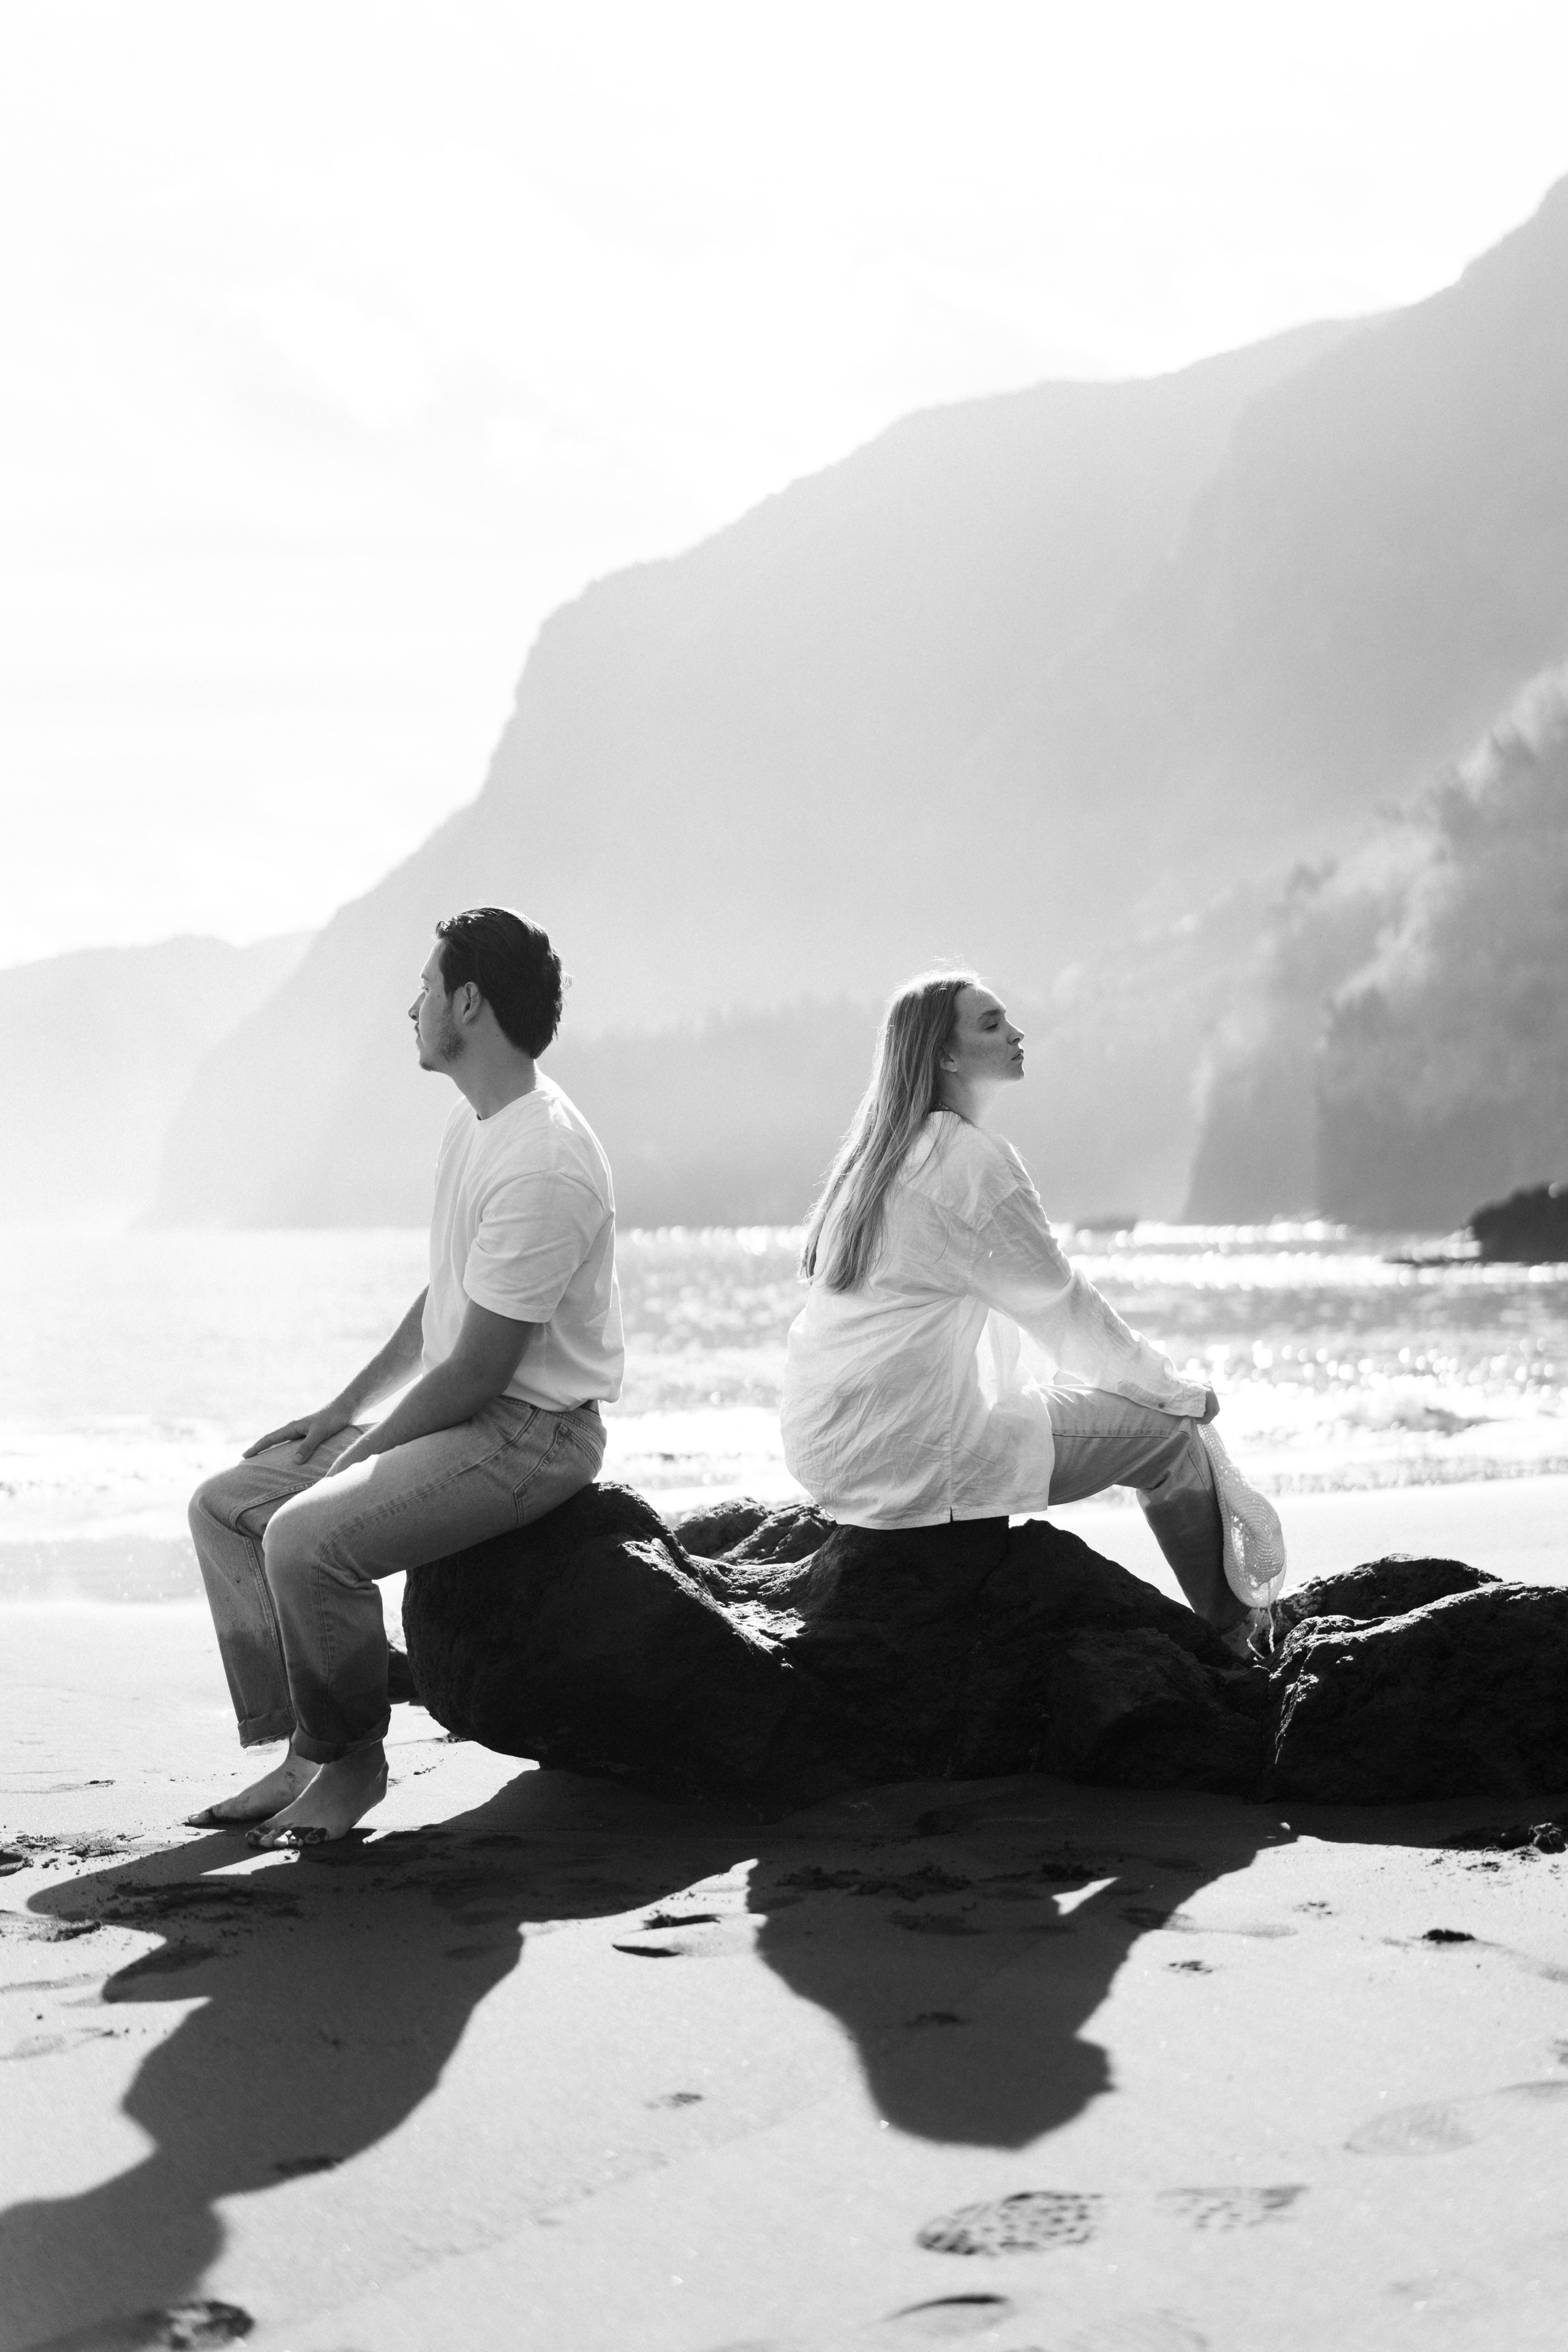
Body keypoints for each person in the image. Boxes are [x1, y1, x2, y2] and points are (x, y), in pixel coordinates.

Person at [186, 906, 624, 1847]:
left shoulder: (546, 1159)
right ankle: (304, 1748)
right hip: (472, 1414)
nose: (412, 1005)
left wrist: (355, 1466)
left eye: (425, 986)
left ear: (468, 1003)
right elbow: (446, 1302)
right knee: (227, 1506)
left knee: (305, 1537)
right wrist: (340, 1414)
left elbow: (478, 1371)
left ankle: (353, 1766)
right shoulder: (476, 1125)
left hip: (532, 1433)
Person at [781, 968, 1267, 1656]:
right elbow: (1061, 1308)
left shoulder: (875, 1160)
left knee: (1113, 1407)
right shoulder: (967, 1160)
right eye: (991, 1024)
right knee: (1173, 1440)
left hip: (834, 1452)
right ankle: (1235, 1642)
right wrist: (1171, 1391)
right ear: (945, 1057)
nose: (1015, 1033)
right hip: (917, 1452)